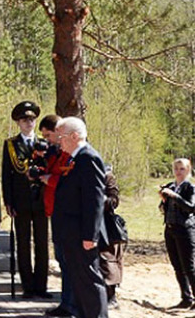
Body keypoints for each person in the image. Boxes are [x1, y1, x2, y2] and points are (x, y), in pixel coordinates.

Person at [53, 116, 108, 318]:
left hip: (82, 234)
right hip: (71, 233)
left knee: (90, 282)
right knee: (79, 283)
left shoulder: (88, 158)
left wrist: (90, 236)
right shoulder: (75, 159)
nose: (59, 141)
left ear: (74, 136)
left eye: (62, 136)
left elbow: (94, 200)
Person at [2, 101, 50, 298]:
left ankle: (41, 286)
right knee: (23, 244)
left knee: (42, 243)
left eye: (31, 119)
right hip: (21, 201)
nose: (28, 123)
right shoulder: (11, 145)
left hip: (41, 201)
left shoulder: (45, 143)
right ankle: (28, 287)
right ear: (18, 123)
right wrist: (8, 202)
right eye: (24, 120)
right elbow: (7, 175)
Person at [36, 115, 79, 318]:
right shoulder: (53, 153)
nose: (47, 139)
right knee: (62, 260)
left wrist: (49, 179)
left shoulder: (70, 154)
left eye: (49, 135)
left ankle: (72, 305)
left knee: (69, 262)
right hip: (55, 212)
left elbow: (68, 180)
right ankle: (66, 302)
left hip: (67, 214)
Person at [160, 158, 195, 310]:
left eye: (182, 169)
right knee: (177, 266)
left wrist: (174, 196)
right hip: (170, 228)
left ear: (188, 170)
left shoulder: (190, 188)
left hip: (185, 229)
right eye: (176, 169)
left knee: (189, 266)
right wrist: (163, 200)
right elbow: (163, 209)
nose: (178, 172)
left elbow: (191, 207)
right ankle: (186, 298)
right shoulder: (170, 186)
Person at [100, 164, 125, 309]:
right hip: (88, 222)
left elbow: (114, 201)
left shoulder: (108, 176)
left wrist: (99, 198)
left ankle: (112, 297)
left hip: (106, 223)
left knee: (108, 258)